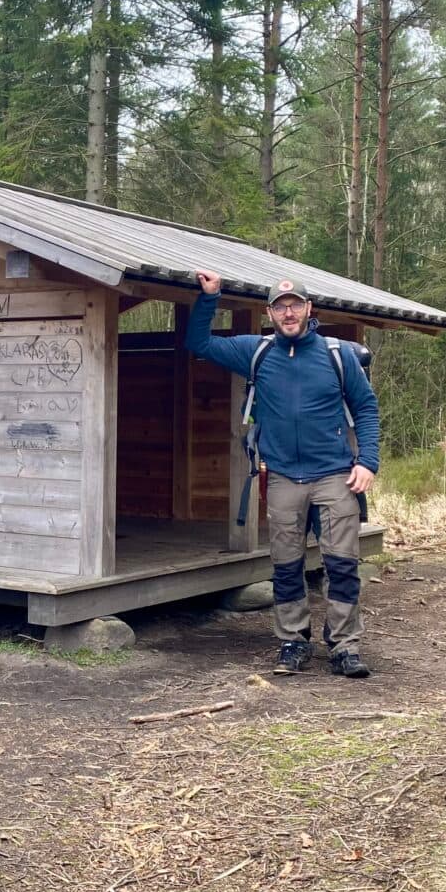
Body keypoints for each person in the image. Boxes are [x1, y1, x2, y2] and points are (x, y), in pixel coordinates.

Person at [186, 271, 380, 679]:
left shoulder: (337, 355)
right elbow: (198, 343)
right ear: (270, 313)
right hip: (283, 478)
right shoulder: (256, 352)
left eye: (295, 305)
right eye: (280, 307)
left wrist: (368, 463)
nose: (288, 313)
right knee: (287, 565)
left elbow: (365, 408)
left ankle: (345, 646)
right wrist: (210, 297)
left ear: (310, 310)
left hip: (335, 476)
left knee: (342, 563)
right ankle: (293, 641)